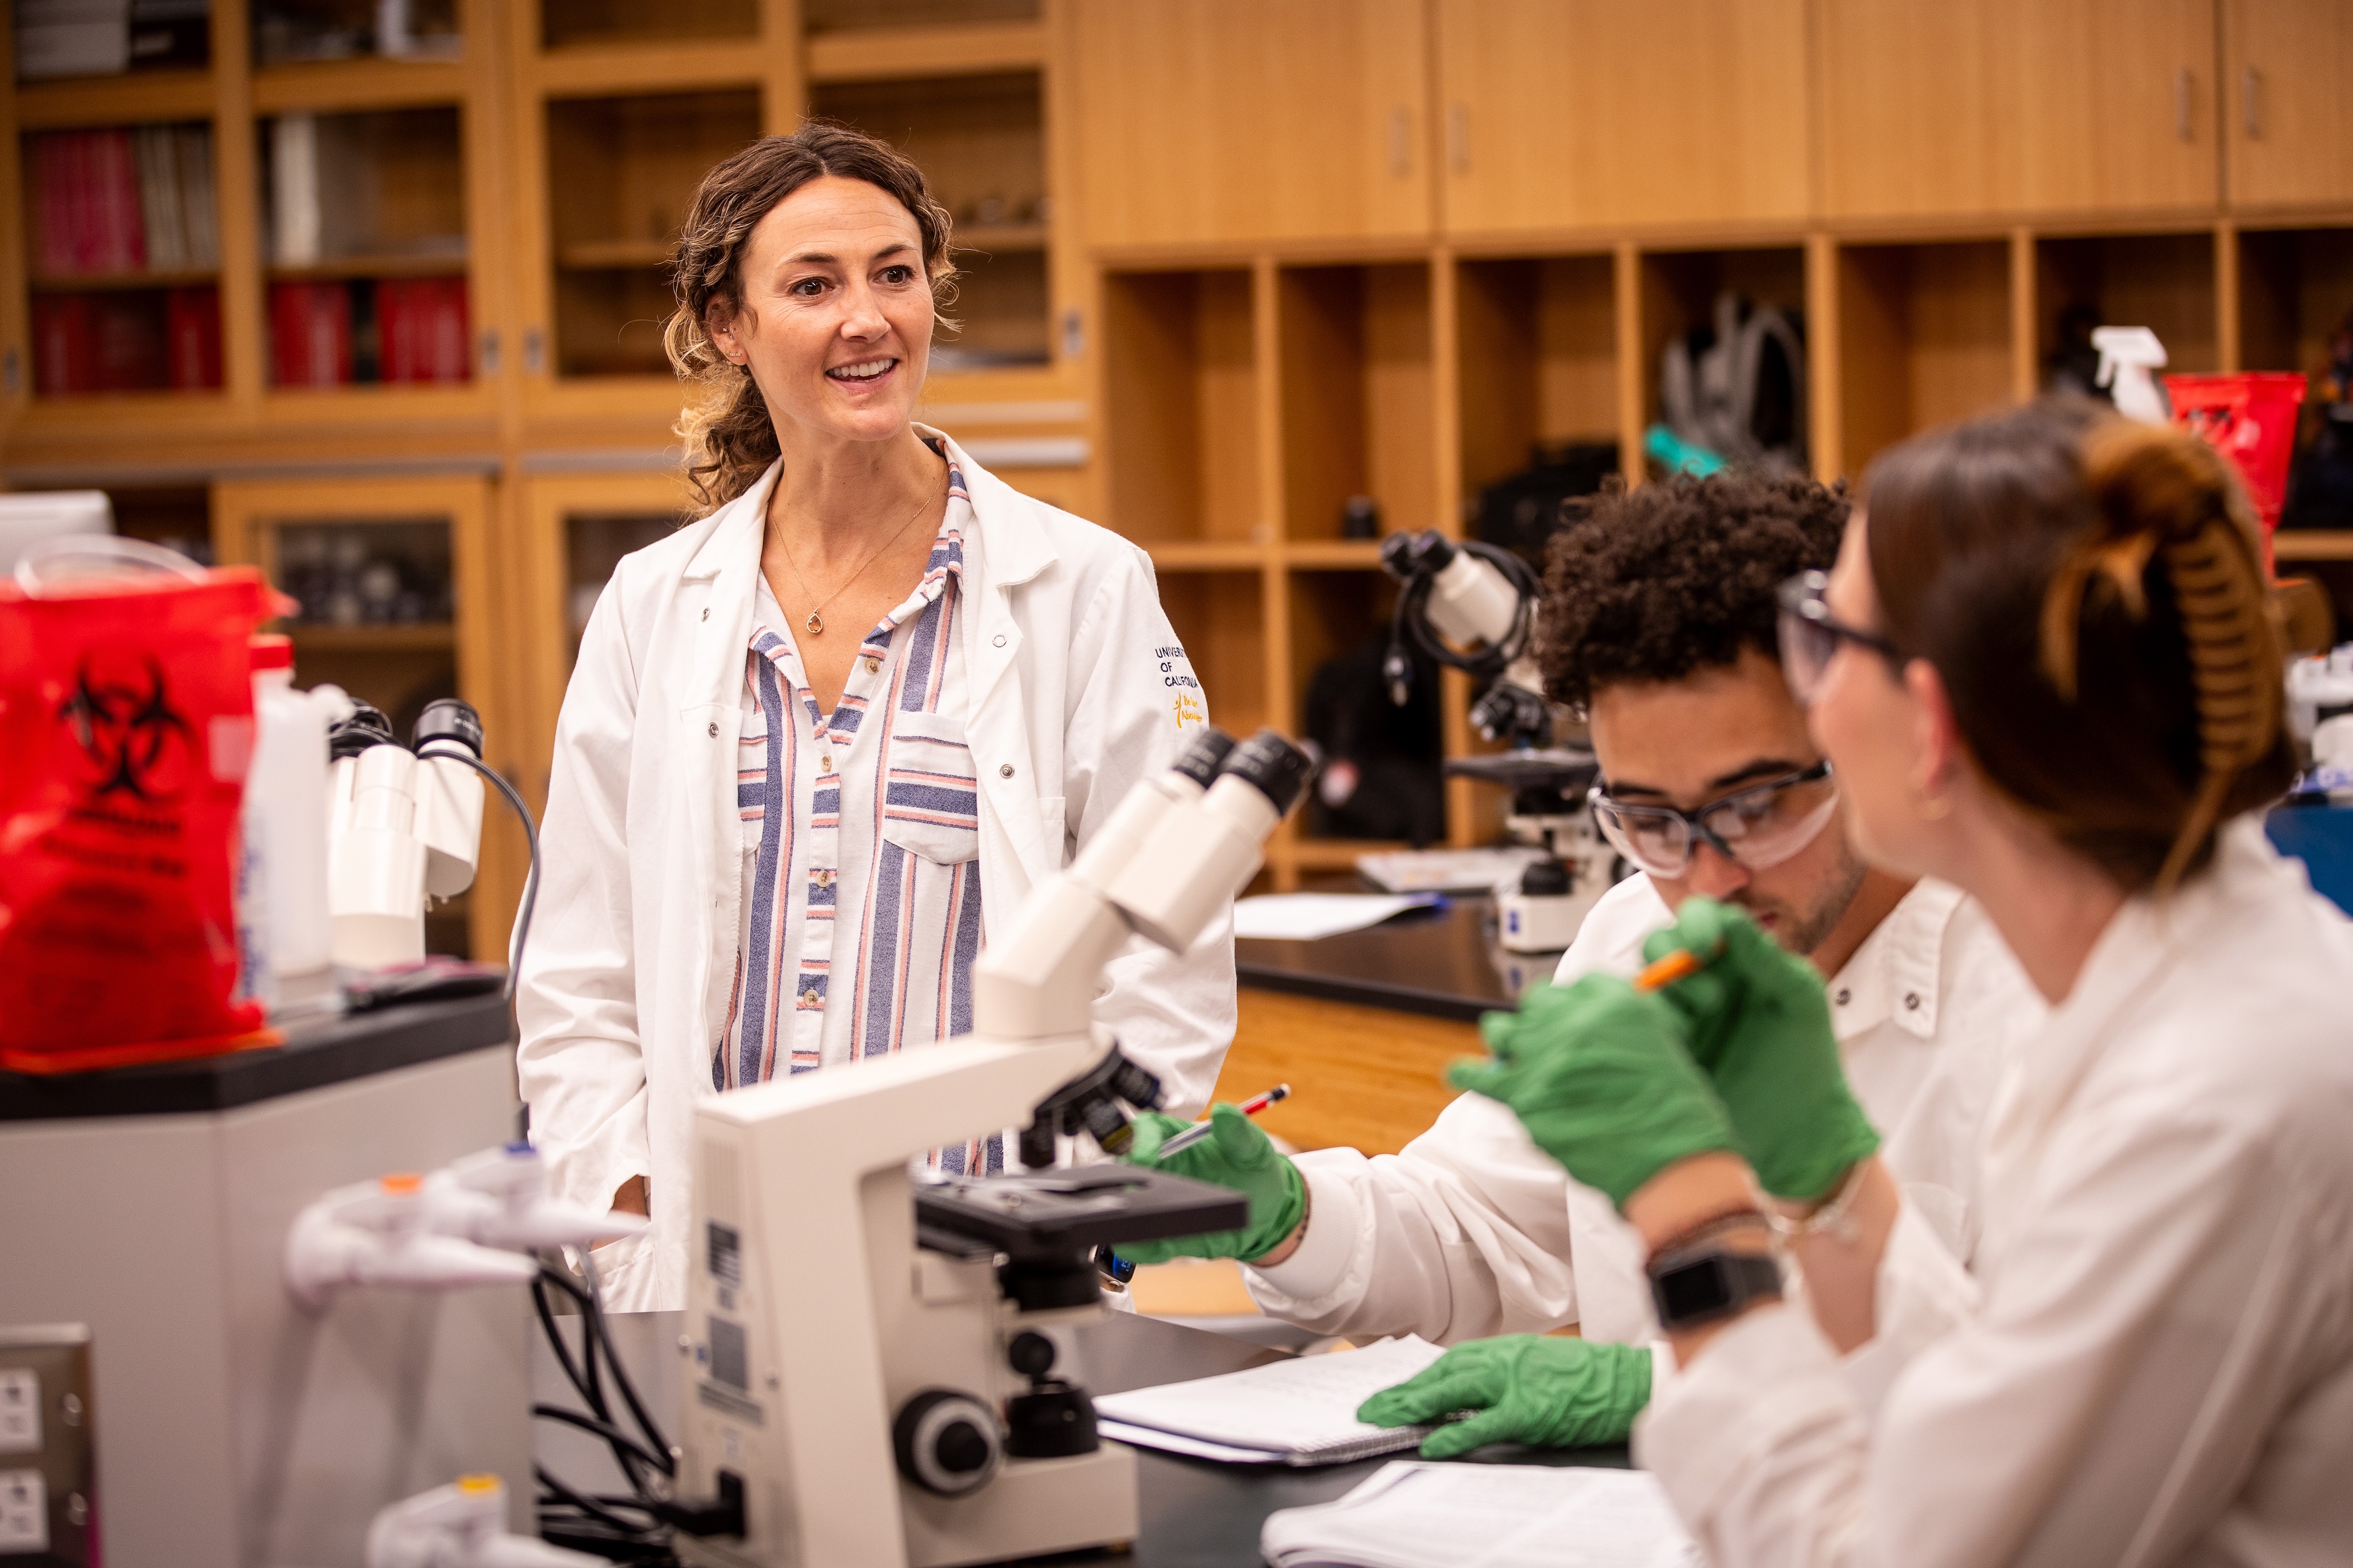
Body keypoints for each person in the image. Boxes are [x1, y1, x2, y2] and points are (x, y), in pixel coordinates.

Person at [1460, 404, 2353, 1563]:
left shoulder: (2211, 1099)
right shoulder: (2135, 974)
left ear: (1928, 725)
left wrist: (1697, 1226)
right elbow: (1969, 1414)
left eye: (1825, 639)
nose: (1803, 690)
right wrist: (1838, 1184)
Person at [1123, 471, 2041, 1452]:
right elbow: (1480, 1223)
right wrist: (1289, 1215)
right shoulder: (1627, 932)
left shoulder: (2033, 987)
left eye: (1755, 803)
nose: (1707, 875)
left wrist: (1658, 1386)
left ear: (1864, 731)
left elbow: (2054, 1405)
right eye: (1650, 818)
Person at [516, 124, 1232, 1312]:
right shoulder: (655, 604)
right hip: (709, 1269)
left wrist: (1095, 1207)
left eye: (894, 274)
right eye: (814, 285)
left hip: (984, 1268)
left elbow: (1164, 948)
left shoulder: (1084, 586)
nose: (867, 318)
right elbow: (580, 966)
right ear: (727, 326)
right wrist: (629, 1209)